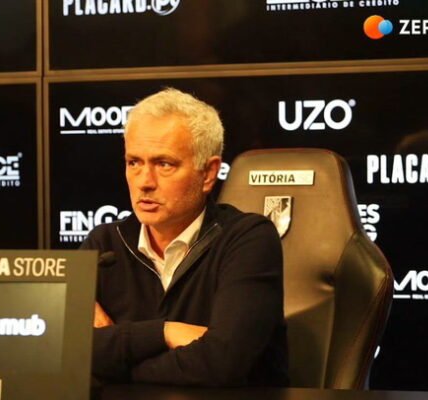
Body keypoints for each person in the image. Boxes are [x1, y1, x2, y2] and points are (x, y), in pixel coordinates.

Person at [81, 88, 288, 386]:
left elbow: (221, 363)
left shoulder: (248, 240)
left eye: (164, 164)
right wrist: (166, 332)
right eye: (134, 162)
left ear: (208, 174)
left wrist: (116, 362)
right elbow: (66, 355)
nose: (144, 182)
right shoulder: (103, 246)